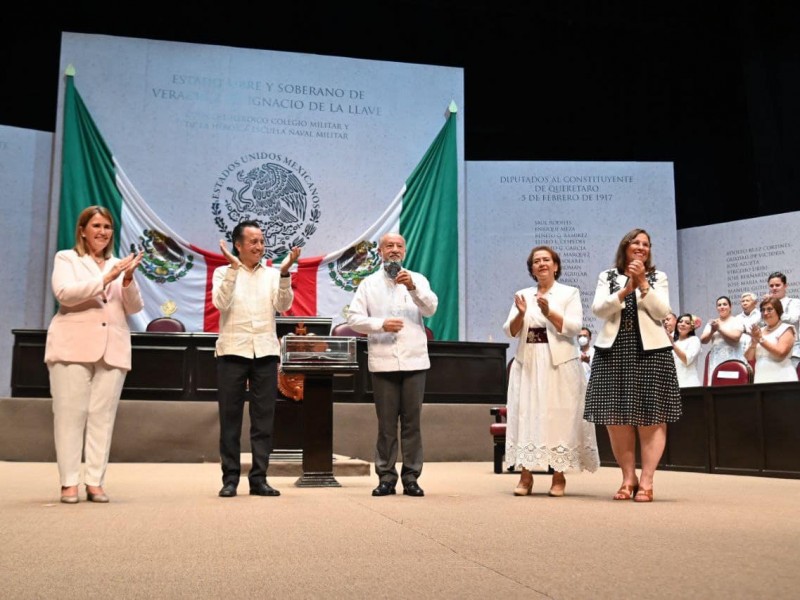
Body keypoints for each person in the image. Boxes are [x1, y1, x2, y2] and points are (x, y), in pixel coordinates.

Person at [44, 205, 144, 504]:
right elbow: (64, 293)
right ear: (83, 230)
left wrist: (126, 280)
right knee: (69, 415)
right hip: (71, 344)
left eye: (107, 227)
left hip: (112, 347)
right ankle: (69, 482)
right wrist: (106, 277)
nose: (103, 232)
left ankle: (95, 481)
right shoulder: (67, 258)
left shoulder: (118, 263)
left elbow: (134, 307)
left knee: (102, 417)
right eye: (97, 226)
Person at [583, 228, 681, 503]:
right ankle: (628, 478)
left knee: (651, 418)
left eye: (646, 244)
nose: (641, 247)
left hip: (651, 351)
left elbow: (663, 313)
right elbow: (599, 310)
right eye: (636, 242)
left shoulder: (658, 277)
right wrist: (627, 288)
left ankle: (647, 480)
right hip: (612, 350)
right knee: (615, 419)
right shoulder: (608, 276)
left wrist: (643, 283)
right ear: (625, 246)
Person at [213, 220, 301, 498]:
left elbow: (284, 306)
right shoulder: (222, 273)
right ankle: (229, 479)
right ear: (237, 246)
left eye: (262, 241)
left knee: (263, 419)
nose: (260, 246)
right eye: (253, 242)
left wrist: (285, 272)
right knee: (230, 419)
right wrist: (233, 271)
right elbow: (220, 304)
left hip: (264, 352)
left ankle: (259, 478)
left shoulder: (273, 275)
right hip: (232, 351)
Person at [503, 246, 599, 497]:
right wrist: (521, 315)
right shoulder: (522, 295)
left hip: (559, 362)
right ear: (531, 268)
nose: (542, 264)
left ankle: (559, 474)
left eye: (547, 260)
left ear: (556, 266)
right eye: (537, 261)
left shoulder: (569, 293)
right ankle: (525, 475)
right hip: (529, 361)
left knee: (560, 416)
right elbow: (509, 331)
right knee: (527, 414)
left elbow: (574, 327)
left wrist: (549, 312)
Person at [347, 232, 438, 498]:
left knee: (412, 423)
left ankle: (411, 477)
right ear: (380, 251)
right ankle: (386, 477)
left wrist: (413, 288)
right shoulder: (369, 284)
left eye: (399, 246)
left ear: (405, 252)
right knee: (386, 424)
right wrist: (380, 324)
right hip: (383, 361)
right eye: (389, 246)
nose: (394, 250)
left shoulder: (418, 279)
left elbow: (431, 309)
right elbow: (353, 318)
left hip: (414, 360)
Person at [745, 297, 799, 383]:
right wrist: (754, 342)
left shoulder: (787, 329)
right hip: (761, 378)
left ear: (778, 311)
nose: (765, 313)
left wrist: (760, 339)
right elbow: (749, 358)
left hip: (783, 377)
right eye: (763, 310)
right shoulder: (760, 331)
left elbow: (781, 353)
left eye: (769, 309)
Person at [699, 296, 744, 383]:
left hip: (733, 358)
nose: (722, 307)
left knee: (733, 383)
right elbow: (703, 340)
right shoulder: (713, 323)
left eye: (725, 304)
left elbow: (736, 337)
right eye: (719, 305)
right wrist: (712, 331)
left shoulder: (736, 320)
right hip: (716, 359)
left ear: (730, 307)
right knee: (717, 383)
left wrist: (719, 329)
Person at [766, 271, 800, 369]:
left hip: (792, 352)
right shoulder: (766, 306)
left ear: (785, 286)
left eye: (777, 285)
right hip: (771, 352)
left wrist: (773, 309)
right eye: (771, 286)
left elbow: (793, 319)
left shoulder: (795, 302)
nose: (774, 288)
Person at [669, 313, 702, 387]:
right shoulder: (675, 342)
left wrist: (672, 344)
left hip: (690, 384)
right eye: (680, 322)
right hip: (675, 385)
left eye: (687, 323)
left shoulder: (694, 340)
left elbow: (687, 360)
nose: (682, 324)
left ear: (691, 328)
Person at [736, 292, 762, 356]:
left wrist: (744, 329)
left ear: (755, 302)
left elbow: (751, 330)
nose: (744, 303)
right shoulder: (737, 318)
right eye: (742, 301)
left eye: (747, 301)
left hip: (758, 348)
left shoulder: (761, 315)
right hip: (741, 350)